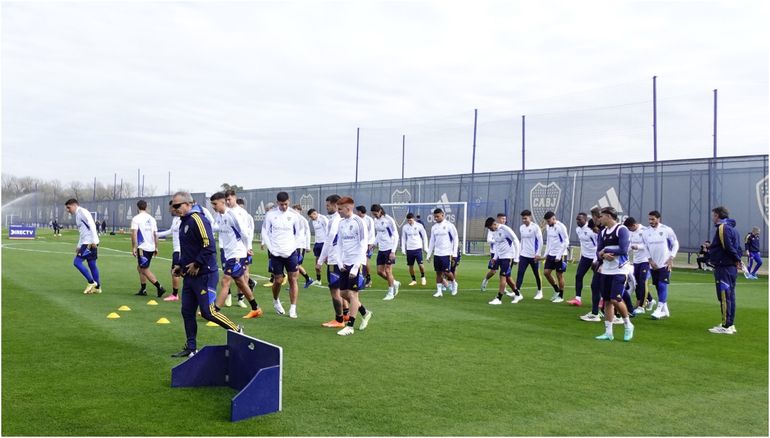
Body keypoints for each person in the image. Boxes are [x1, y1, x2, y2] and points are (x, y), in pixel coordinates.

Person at [169, 191, 241, 358]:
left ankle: (237, 330)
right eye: (173, 206)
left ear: (188, 204)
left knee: (208, 312)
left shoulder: (198, 219)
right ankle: (191, 347)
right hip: (189, 276)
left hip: (204, 274)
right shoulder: (183, 222)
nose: (175, 208)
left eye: (177, 205)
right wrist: (180, 266)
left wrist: (197, 263)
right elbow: (187, 249)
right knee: (187, 312)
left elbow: (209, 246)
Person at [209, 192, 263, 318]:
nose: (213, 207)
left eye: (215, 204)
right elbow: (217, 228)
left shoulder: (232, 215)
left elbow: (244, 233)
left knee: (225, 281)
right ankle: (256, 308)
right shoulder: (220, 216)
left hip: (237, 253)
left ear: (222, 202)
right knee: (240, 282)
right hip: (229, 254)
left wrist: (248, 248)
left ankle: (215, 312)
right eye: (212, 204)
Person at [334, 197, 374, 336]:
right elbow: (339, 244)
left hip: (356, 263)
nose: (338, 212)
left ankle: (350, 327)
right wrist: (340, 262)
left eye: (340, 209)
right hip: (345, 263)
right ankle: (365, 312)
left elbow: (363, 245)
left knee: (353, 294)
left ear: (348, 208)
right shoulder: (341, 223)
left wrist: (356, 266)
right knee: (343, 293)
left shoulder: (359, 222)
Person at [594, 207, 634, 342]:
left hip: (620, 270)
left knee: (615, 299)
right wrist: (603, 255)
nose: (600, 219)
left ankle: (628, 325)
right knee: (606, 301)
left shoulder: (621, 230)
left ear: (609, 216)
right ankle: (608, 332)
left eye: (602, 216)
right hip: (606, 270)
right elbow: (598, 251)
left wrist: (606, 250)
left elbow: (624, 249)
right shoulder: (603, 232)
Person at [261, 192, 301, 319]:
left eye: (286, 204)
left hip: (291, 252)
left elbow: (299, 232)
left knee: (293, 279)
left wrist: (294, 247)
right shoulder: (270, 215)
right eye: (281, 204)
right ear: (277, 202)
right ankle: (276, 301)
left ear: (289, 201)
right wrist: (271, 248)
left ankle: (293, 308)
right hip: (276, 253)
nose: (284, 206)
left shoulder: (294, 215)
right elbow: (264, 231)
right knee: (278, 280)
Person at [707, 206, 744, 334]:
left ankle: (726, 326)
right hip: (730, 267)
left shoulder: (723, 228)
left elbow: (727, 246)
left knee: (724, 296)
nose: (712, 218)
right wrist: (737, 259)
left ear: (717, 215)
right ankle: (730, 324)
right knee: (730, 296)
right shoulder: (734, 229)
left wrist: (737, 259)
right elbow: (738, 248)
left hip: (724, 267)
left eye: (713, 215)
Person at [317, 194, 348, 328]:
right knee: (342, 289)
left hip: (335, 261)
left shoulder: (335, 221)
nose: (327, 207)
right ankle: (346, 313)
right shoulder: (344, 220)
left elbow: (329, 241)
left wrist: (320, 260)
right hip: (342, 258)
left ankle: (339, 320)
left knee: (335, 291)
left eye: (328, 205)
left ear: (336, 205)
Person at [642, 210, 679, 320]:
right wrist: (650, 260)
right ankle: (664, 309)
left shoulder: (666, 230)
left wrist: (671, 258)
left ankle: (658, 309)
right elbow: (645, 247)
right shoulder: (646, 232)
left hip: (665, 263)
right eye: (649, 219)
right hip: (653, 265)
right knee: (658, 286)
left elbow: (675, 243)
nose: (650, 221)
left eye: (653, 219)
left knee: (662, 285)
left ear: (658, 219)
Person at [226, 193, 257, 306]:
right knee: (232, 276)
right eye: (226, 200)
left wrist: (249, 247)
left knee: (243, 274)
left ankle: (240, 298)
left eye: (229, 199)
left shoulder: (245, 215)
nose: (228, 202)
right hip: (228, 249)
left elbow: (249, 232)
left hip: (242, 249)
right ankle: (229, 296)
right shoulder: (225, 213)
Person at [65, 198, 102, 294]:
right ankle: (97, 287)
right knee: (92, 264)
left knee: (77, 262)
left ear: (74, 205)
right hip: (87, 242)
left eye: (69, 207)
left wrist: (94, 241)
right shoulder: (78, 215)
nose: (68, 210)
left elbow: (92, 225)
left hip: (89, 242)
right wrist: (79, 245)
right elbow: (82, 232)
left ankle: (91, 282)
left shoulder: (82, 212)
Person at [131, 199, 166, 297]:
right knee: (140, 267)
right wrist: (156, 247)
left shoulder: (136, 219)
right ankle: (143, 289)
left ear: (137, 207)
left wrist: (134, 247)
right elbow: (155, 234)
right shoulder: (152, 219)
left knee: (144, 269)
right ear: (146, 207)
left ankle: (159, 287)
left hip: (142, 247)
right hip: (151, 247)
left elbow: (134, 234)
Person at [485, 217, 523, 305]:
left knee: (502, 276)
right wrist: (495, 258)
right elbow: (497, 246)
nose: (490, 230)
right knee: (508, 278)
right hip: (500, 257)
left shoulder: (505, 229)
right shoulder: (494, 232)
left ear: (494, 224)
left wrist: (516, 258)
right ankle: (518, 294)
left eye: (490, 228)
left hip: (508, 257)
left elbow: (516, 241)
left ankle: (499, 298)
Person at [426, 208, 459, 297]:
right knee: (438, 273)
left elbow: (455, 239)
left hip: (446, 253)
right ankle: (439, 291)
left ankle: (454, 283)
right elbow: (432, 241)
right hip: (437, 253)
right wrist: (429, 254)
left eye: (437, 216)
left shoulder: (449, 225)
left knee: (447, 272)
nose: (436, 218)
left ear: (442, 215)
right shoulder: (434, 227)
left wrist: (454, 253)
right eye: (434, 217)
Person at [370, 204, 401, 300]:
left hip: (389, 248)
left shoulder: (389, 220)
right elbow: (379, 234)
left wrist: (393, 251)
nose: (375, 216)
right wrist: (374, 244)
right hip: (381, 249)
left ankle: (390, 293)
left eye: (376, 214)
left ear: (380, 211)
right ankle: (395, 283)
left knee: (388, 271)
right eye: (373, 214)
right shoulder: (376, 220)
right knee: (379, 272)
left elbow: (396, 236)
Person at [567, 212, 597, 306]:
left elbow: (598, 244)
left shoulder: (592, 230)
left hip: (594, 258)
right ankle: (578, 299)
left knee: (597, 280)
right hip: (585, 257)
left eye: (579, 219)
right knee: (578, 276)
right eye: (577, 219)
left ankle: (601, 300)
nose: (577, 221)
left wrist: (596, 259)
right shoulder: (578, 230)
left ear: (585, 219)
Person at [541, 211, 569, 303]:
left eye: (549, 221)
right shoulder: (548, 227)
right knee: (546, 273)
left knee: (559, 275)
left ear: (554, 218)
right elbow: (549, 241)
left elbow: (566, 241)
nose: (547, 223)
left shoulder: (561, 227)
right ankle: (557, 290)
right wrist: (546, 254)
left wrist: (559, 255)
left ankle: (561, 296)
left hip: (560, 254)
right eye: (547, 221)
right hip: (551, 254)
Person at [625, 217, 651, 315]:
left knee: (642, 282)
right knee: (637, 283)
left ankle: (641, 306)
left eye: (630, 228)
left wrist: (638, 246)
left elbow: (649, 245)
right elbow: (629, 246)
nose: (629, 230)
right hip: (636, 261)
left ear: (634, 225)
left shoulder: (645, 231)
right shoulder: (630, 232)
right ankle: (648, 300)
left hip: (645, 260)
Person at [516, 210, 544, 299]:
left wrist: (538, 254)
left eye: (525, 218)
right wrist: (519, 253)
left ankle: (540, 291)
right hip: (523, 255)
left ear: (530, 217)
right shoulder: (521, 227)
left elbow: (540, 241)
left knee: (536, 274)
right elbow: (522, 241)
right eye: (522, 219)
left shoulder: (535, 227)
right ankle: (517, 291)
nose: (524, 220)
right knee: (520, 273)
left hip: (533, 256)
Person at [158, 200, 182, 301]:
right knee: (181, 272)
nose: (169, 210)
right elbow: (170, 231)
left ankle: (175, 295)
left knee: (175, 271)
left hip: (180, 250)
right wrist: (156, 234)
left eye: (171, 207)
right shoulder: (175, 219)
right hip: (176, 250)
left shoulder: (183, 219)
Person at [481, 214, 509, 292]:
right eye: (502, 219)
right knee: (493, 271)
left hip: (505, 253)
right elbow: (489, 239)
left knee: (504, 272)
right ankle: (485, 280)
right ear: (498, 219)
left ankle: (503, 288)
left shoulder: (505, 229)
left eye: (505, 219)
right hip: (495, 253)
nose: (504, 220)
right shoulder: (492, 229)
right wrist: (498, 240)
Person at [401, 212, 428, 286]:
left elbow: (424, 236)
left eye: (410, 220)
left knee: (420, 264)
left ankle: (423, 277)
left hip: (418, 248)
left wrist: (425, 247)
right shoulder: (405, 227)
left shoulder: (419, 226)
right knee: (410, 266)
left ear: (414, 219)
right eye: (408, 220)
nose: (409, 222)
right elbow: (403, 238)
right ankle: (413, 280)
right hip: (409, 249)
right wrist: (403, 249)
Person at [292, 204, 315, 289]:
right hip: (293, 246)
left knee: (296, 265)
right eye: (293, 210)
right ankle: (307, 279)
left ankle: (295, 284)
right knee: (294, 265)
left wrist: (307, 246)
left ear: (299, 211)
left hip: (300, 245)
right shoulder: (292, 219)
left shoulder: (303, 220)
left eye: (295, 210)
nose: (294, 212)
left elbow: (307, 233)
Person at [355, 205, 376, 287]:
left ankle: (368, 279)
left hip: (368, 244)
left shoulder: (369, 219)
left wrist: (370, 244)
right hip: (359, 244)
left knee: (365, 261)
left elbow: (371, 232)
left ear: (360, 212)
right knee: (360, 261)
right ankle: (362, 278)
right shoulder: (357, 219)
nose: (356, 213)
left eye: (357, 211)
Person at [308, 208, 329, 285]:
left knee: (327, 261)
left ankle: (335, 276)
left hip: (324, 243)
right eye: (310, 217)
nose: (311, 218)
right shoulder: (313, 221)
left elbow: (328, 231)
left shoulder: (323, 219)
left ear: (315, 213)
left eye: (311, 216)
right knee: (317, 262)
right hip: (317, 243)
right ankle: (318, 280)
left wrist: (328, 243)